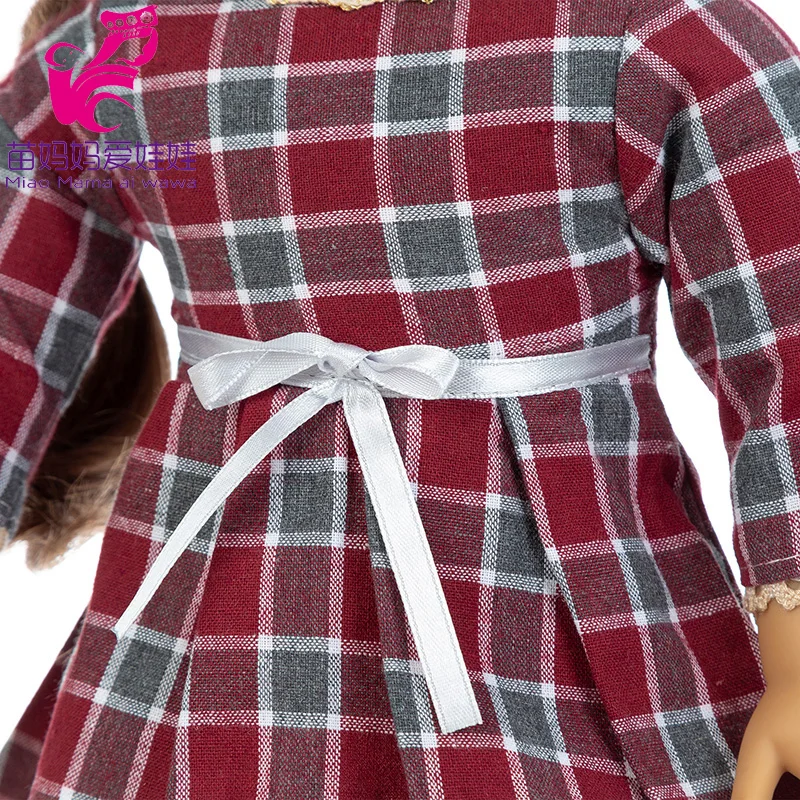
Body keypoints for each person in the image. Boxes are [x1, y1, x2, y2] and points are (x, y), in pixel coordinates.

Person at [1, 0, 800, 797]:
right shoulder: (127, 52)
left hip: (551, 608)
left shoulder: (642, 34)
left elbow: (783, 329)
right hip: (226, 611)